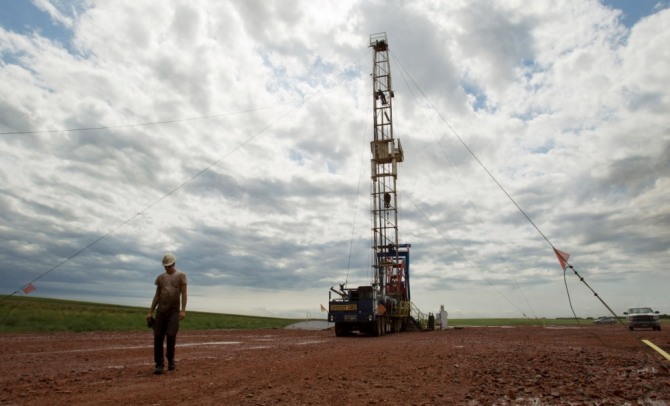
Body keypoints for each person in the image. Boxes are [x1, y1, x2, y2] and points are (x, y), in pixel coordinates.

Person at [146, 253, 187, 375]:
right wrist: (150, 311)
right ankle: (159, 365)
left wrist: (183, 310)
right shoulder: (160, 278)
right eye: (165, 266)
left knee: (170, 335)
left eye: (169, 266)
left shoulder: (181, 276)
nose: (167, 268)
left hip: (174, 311)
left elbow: (184, 294)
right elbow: (157, 295)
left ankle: (171, 360)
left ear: (174, 264)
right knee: (158, 337)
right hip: (161, 311)